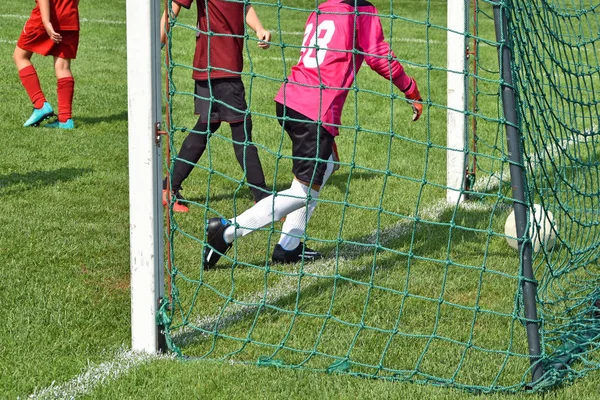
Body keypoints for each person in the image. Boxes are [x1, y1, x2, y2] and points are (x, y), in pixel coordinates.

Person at [203, 0, 423, 269]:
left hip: (291, 98)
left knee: (328, 164)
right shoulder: (361, 9)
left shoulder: (322, 6)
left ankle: (289, 246)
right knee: (302, 193)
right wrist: (410, 88)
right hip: (315, 109)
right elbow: (378, 57)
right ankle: (226, 232)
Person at [160, 0, 272, 213]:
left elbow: (244, 6)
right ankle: (263, 198)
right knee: (242, 132)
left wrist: (259, 29)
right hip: (220, 69)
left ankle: (169, 187)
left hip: (218, 67)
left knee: (205, 127)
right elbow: (174, 6)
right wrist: (158, 40)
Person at [13, 0, 79, 129]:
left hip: (46, 18)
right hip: (70, 19)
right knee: (63, 67)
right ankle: (65, 120)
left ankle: (40, 105)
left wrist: (46, 22)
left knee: (20, 57)